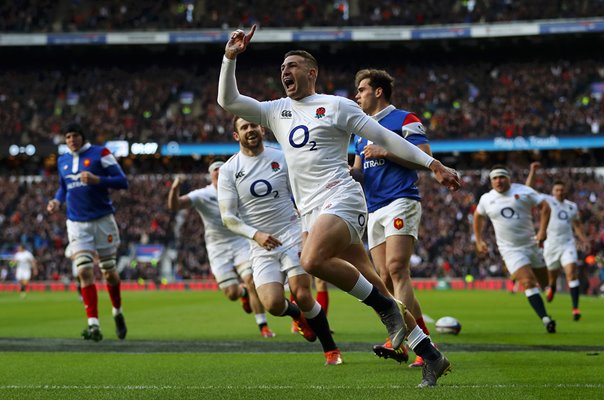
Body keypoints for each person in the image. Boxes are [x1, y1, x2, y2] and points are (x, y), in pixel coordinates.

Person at [217, 25, 460, 387]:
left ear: (311, 73)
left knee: (312, 260)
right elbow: (228, 101)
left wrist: (434, 165)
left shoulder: (336, 106)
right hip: (313, 211)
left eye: (294, 65)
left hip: (343, 198)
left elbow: (386, 137)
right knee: (377, 282)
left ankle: (384, 309)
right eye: (283, 67)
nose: (286, 71)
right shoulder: (275, 111)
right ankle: (430, 354)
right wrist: (229, 58)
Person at [217, 116, 342, 365]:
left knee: (303, 293)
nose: (250, 130)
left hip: (291, 234)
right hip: (260, 244)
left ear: (261, 128)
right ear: (236, 135)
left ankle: (331, 349)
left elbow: (302, 196)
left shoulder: (282, 157)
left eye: (253, 125)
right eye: (244, 127)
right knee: (273, 304)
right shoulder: (229, 170)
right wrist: (257, 235)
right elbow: (228, 217)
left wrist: (306, 231)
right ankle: (297, 315)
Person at [350, 68, 433, 368]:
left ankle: (398, 339)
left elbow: (423, 157)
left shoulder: (405, 119)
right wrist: (347, 172)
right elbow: (360, 170)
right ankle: (423, 346)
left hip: (401, 199)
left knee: (398, 269)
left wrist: (387, 152)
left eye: (361, 90)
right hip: (374, 209)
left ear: (378, 91)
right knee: (384, 278)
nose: (357, 95)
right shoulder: (360, 130)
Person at [168, 160, 274, 338]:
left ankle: (262, 325)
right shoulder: (203, 194)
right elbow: (175, 206)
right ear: (211, 175)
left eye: (222, 169)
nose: (219, 171)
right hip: (217, 248)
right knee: (231, 293)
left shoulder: (238, 190)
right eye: (215, 169)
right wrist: (174, 188)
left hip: (240, 242)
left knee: (251, 281)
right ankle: (242, 293)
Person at [47, 122, 128, 341]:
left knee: (109, 272)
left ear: (83, 137)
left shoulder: (100, 153)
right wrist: (56, 201)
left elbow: (123, 181)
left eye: (75, 136)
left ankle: (117, 311)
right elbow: (63, 187)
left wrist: (97, 180)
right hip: (76, 223)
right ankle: (93, 324)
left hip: (102, 220)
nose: (71, 140)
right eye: (68, 137)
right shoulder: (63, 160)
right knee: (83, 271)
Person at [473, 164, 556, 333]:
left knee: (545, 282)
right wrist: (479, 240)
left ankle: (549, 287)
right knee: (527, 282)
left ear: (509, 178)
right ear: (491, 181)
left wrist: (542, 231)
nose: (498, 181)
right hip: (510, 249)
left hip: (532, 245)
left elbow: (545, 207)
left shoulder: (524, 191)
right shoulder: (486, 199)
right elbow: (478, 216)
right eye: (495, 178)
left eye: (502, 177)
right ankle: (546, 319)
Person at [526, 162, 589, 320]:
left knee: (571, 273)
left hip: (567, 243)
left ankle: (575, 308)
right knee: (552, 277)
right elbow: (528, 190)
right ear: (552, 192)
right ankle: (552, 287)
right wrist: (533, 171)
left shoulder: (572, 207)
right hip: (550, 245)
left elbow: (577, 226)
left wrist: (585, 240)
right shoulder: (546, 200)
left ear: (565, 191)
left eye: (562, 190)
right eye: (557, 190)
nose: (560, 192)